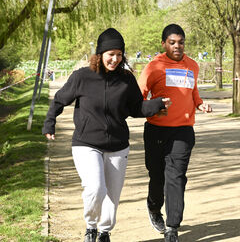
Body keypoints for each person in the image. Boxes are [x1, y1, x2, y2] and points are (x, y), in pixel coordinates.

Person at [42, 28, 171, 242]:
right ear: (100, 54)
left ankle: (104, 232)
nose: (115, 59)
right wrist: (49, 123)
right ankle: (91, 227)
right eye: (111, 54)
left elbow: (136, 108)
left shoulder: (126, 79)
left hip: (118, 145)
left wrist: (156, 105)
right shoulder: (82, 77)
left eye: (119, 54)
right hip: (86, 143)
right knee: (95, 187)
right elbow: (59, 100)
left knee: (112, 193)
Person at [138, 24, 212, 242]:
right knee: (157, 175)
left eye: (181, 42)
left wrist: (200, 104)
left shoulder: (193, 66)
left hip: (183, 130)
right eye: (172, 42)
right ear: (163, 44)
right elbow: (138, 98)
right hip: (156, 131)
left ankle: (172, 228)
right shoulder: (154, 67)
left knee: (176, 177)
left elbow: (193, 91)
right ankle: (154, 207)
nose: (177, 46)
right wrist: (154, 106)